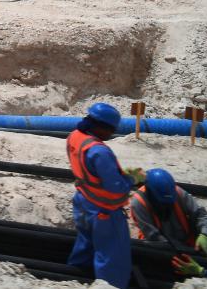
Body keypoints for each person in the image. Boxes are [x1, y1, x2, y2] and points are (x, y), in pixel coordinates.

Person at [65, 103, 144, 288]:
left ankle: (74, 281)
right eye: (111, 130)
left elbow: (90, 171)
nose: (111, 135)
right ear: (102, 127)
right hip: (103, 212)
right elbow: (116, 187)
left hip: (83, 202)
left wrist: (117, 173)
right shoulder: (99, 151)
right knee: (112, 257)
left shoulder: (74, 137)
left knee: (85, 246)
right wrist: (132, 179)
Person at [131, 169, 207, 276]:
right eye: (162, 203)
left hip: (187, 241)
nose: (166, 206)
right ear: (150, 194)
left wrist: (205, 234)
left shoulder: (177, 192)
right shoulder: (139, 203)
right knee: (155, 256)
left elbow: (202, 215)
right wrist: (184, 252)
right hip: (161, 245)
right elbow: (154, 236)